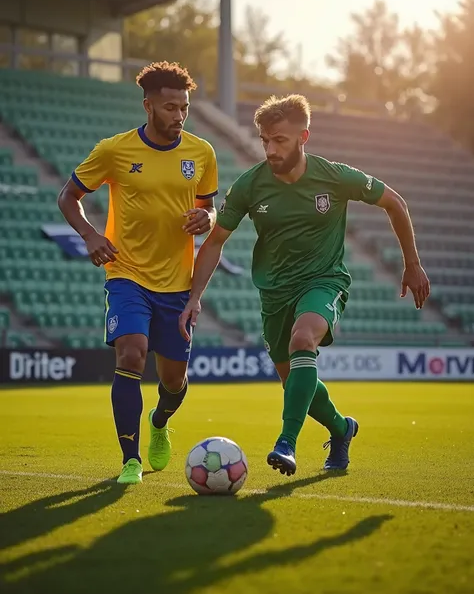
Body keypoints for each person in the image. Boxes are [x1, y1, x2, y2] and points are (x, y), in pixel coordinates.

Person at [179, 94, 430, 476]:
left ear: (303, 137)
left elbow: (395, 203)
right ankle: (342, 428)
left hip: (323, 280)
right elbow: (215, 241)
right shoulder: (250, 185)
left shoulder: (335, 177)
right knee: (295, 381)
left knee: (303, 339)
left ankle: (287, 443)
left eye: (279, 140)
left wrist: (411, 264)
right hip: (274, 293)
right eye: (264, 140)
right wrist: (195, 296)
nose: (270, 149)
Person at [58, 61, 218, 484]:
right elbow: (69, 195)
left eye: (183, 107)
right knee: (131, 352)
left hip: (177, 283)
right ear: (148, 106)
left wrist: (206, 217)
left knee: (174, 381)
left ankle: (159, 422)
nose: (178, 116)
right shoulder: (115, 150)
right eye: (169, 108)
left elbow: (208, 204)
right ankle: (130, 460)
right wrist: (91, 235)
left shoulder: (201, 153)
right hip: (126, 274)